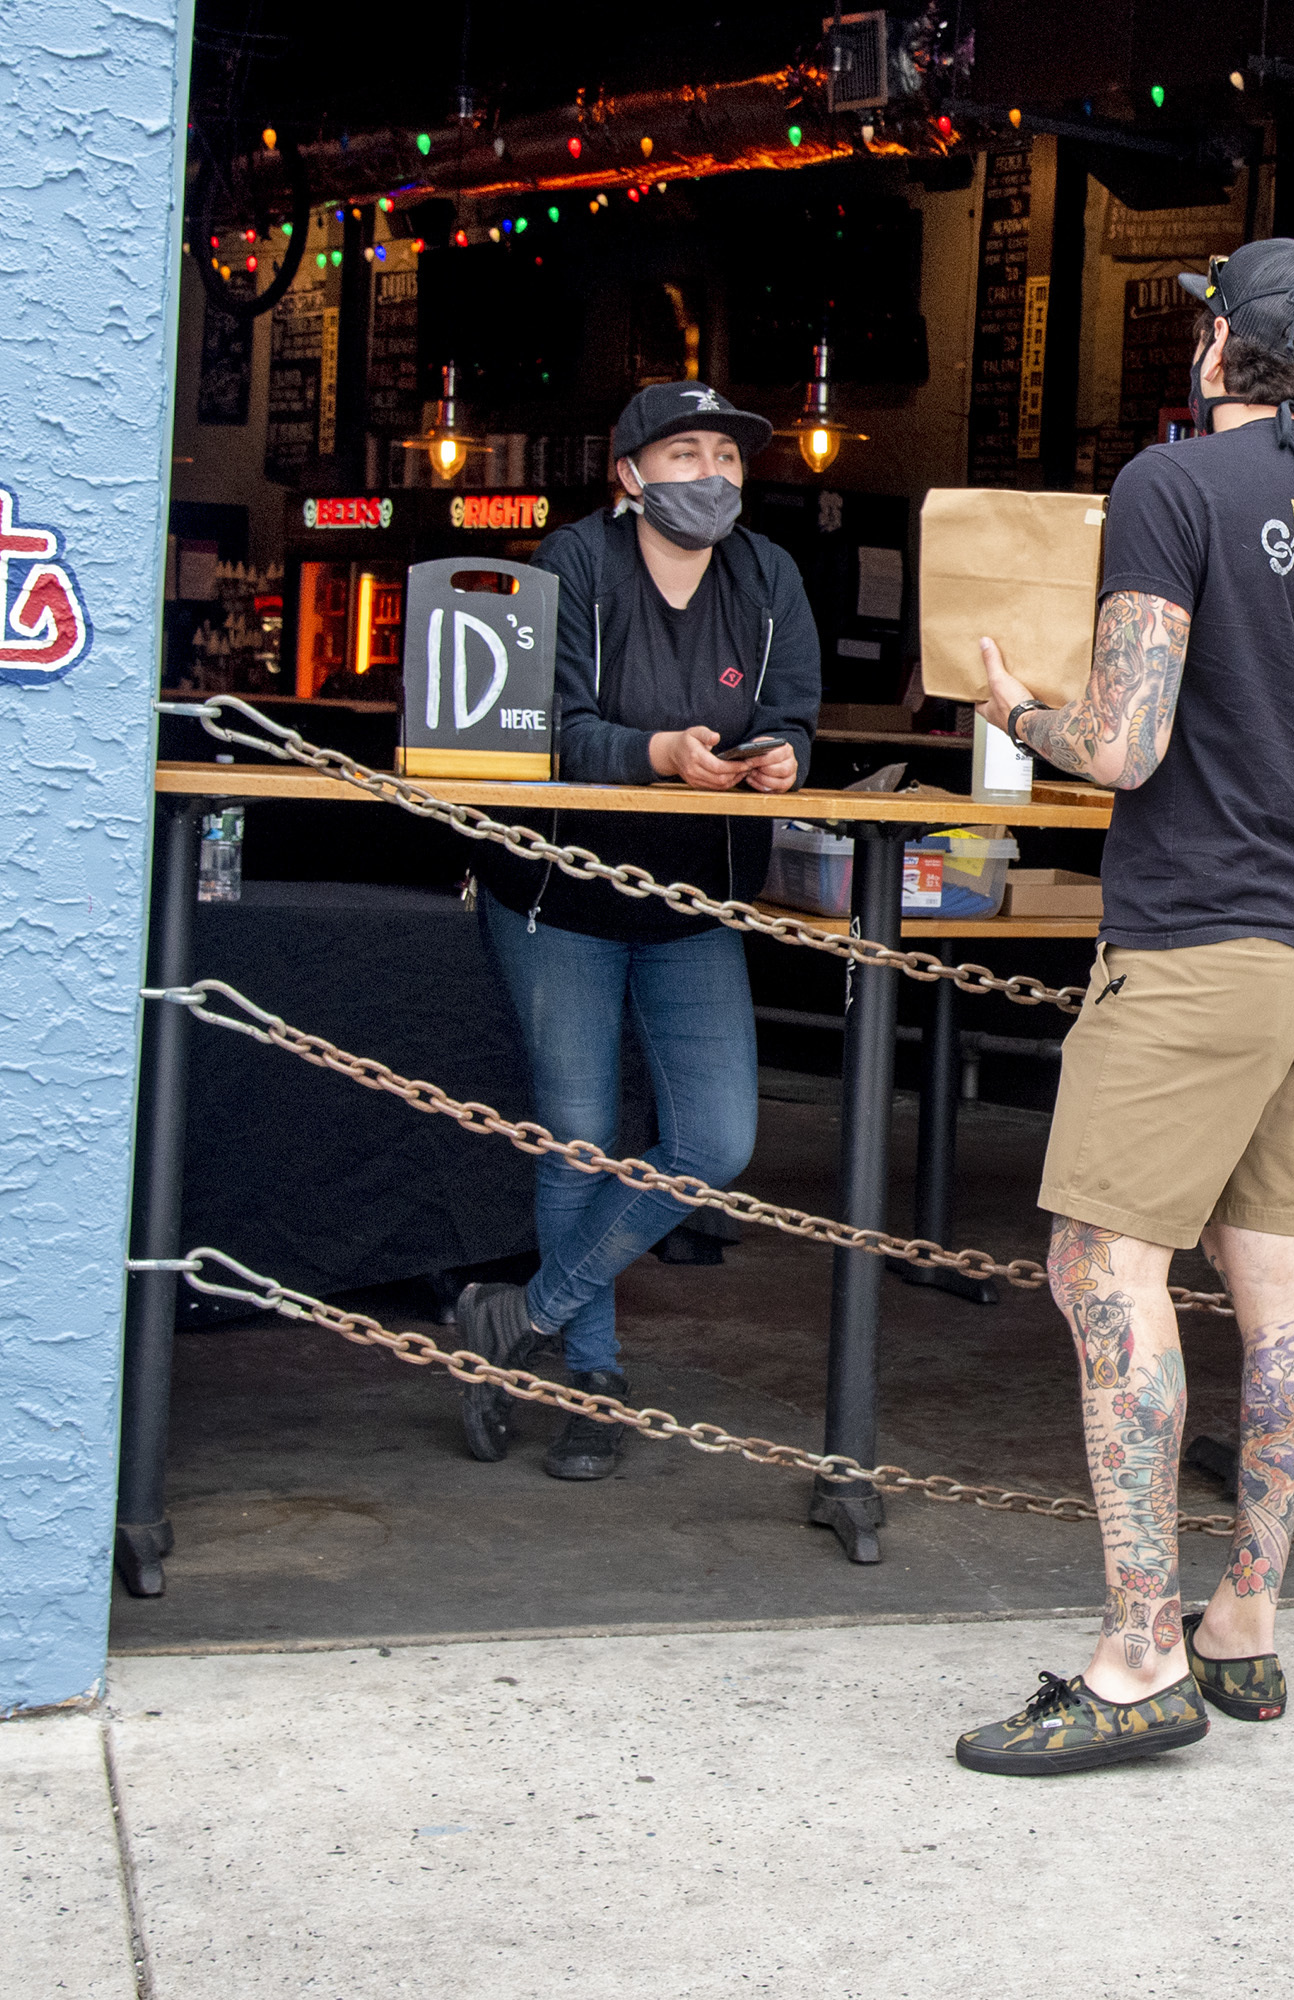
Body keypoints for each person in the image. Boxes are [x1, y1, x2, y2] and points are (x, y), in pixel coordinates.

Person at [953, 239, 1294, 1776]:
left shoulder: (1172, 491)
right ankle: (1245, 1618)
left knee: (1103, 1270)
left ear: (1222, 351)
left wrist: (1011, 707)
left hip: (1193, 950)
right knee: (1275, 1272)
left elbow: (1123, 744)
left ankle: (1136, 1654)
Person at [452, 381, 818, 1483]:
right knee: (579, 1132)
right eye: (684, 454)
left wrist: (783, 754)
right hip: (559, 889)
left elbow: (794, 707)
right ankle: (593, 1374)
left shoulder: (769, 576)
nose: (711, 474)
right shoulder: (571, 565)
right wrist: (657, 755)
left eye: (727, 456)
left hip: (694, 899)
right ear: (628, 475)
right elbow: (546, 726)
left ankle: (515, 1316)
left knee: (716, 1142)